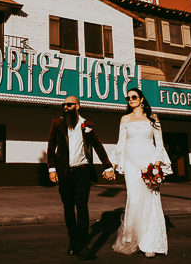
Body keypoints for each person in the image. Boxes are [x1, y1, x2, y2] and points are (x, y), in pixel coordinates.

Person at [47, 95, 116, 259]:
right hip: (64, 172)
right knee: (68, 207)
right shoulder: (58, 123)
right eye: (63, 105)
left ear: (77, 106)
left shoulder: (87, 125)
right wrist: (51, 169)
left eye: (69, 105)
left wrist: (107, 165)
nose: (65, 107)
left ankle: (83, 244)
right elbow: (51, 146)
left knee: (82, 207)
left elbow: (97, 145)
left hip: (82, 171)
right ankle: (73, 239)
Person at [110, 87, 172, 258]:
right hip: (131, 164)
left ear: (142, 99)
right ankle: (133, 240)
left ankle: (150, 243)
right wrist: (113, 166)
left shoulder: (153, 118)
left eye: (134, 97)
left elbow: (159, 144)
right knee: (135, 199)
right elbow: (120, 144)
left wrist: (157, 165)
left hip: (149, 163)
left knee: (151, 200)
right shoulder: (125, 119)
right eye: (128, 98)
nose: (131, 100)